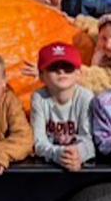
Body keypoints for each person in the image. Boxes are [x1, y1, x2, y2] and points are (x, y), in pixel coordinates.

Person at [30, 42, 95, 171]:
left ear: (78, 73)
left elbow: (89, 140)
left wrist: (79, 154)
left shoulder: (85, 97)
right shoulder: (39, 98)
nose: (61, 71)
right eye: (53, 68)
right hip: (50, 165)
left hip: (78, 163)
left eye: (68, 67)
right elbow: (38, 142)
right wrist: (59, 154)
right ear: (42, 76)